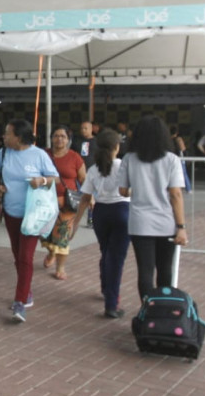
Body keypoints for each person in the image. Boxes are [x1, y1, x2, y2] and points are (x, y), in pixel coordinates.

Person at [0, 118, 59, 323]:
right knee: (17, 256)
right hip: (11, 212)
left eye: (7, 133)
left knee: (26, 257)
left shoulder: (39, 155)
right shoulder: (4, 153)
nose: (4, 136)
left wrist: (42, 181)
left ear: (19, 137)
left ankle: (20, 301)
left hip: (33, 215)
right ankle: (26, 291)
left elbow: (54, 178)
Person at [117, 116, 188, 303]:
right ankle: (164, 311)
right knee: (165, 269)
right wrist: (181, 226)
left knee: (145, 271)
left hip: (140, 222)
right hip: (167, 222)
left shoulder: (129, 159)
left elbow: (123, 190)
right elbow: (176, 195)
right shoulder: (172, 160)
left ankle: (147, 310)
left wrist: (140, 187)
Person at [69, 129, 130, 318]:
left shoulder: (94, 169)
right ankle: (111, 304)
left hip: (100, 214)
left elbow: (86, 197)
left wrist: (76, 222)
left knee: (106, 253)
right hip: (122, 212)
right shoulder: (124, 165)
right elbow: (131, 191)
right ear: (117, 147)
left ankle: (106, 288)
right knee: (116, 259)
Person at [43, 125, 86, 280]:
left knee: (62, 236)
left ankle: (60, 268)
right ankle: (51, 252)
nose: (59, 139)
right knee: (45, 235)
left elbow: (84, 180)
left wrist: (90, 198)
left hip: (68, 204)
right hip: (45, 202)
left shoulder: (75, 157)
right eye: (56, 135)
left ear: (68, 140)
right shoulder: (44, 154)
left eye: (63, 136)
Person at [169, 126, 192, 193]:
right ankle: (188, 189)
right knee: (183, 173)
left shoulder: (168, 139)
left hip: (171, 158)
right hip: (179, 158)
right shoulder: (178, 139)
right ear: (177, 132)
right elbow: (183, 148)